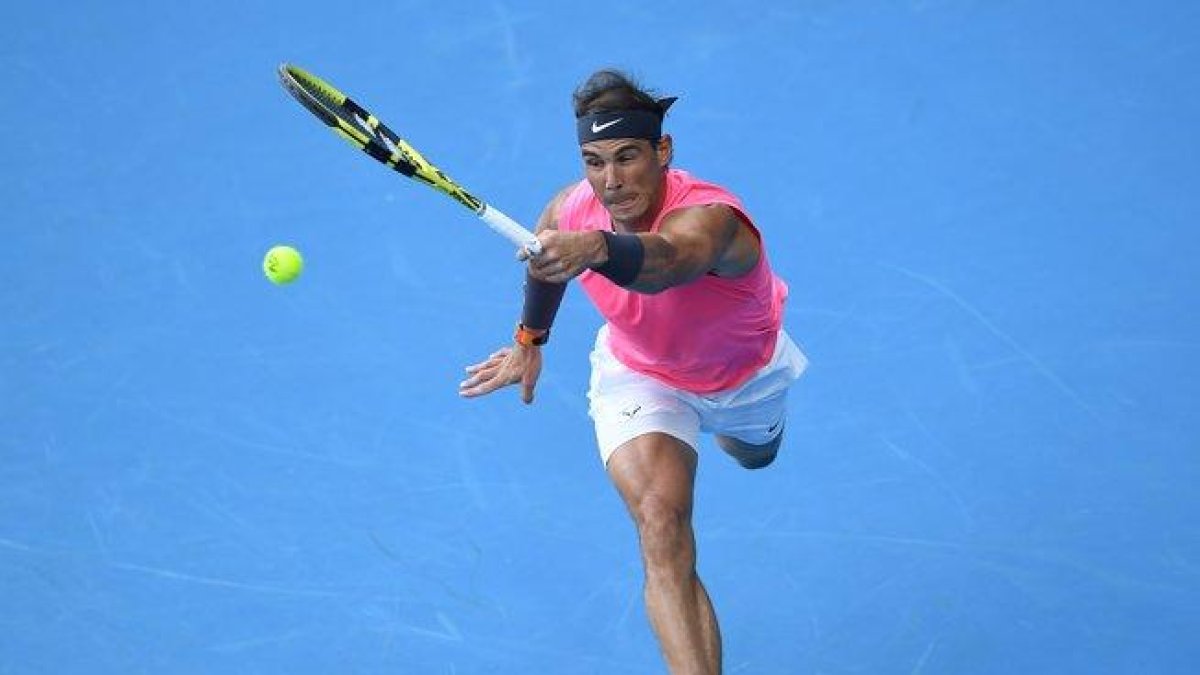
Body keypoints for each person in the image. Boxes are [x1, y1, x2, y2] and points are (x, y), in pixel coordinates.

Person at [458, 69, 807, 675]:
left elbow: (668, 264)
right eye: (594, 161)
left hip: (746, 378)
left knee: (752, 455)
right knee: (659, 521)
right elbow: (545, 262)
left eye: (627, 157)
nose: (611, 180)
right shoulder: (572, 206)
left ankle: (748, 437)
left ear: (662, 151)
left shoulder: (714, 219)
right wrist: (529, 340)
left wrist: (594, 247)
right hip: (642, 373)